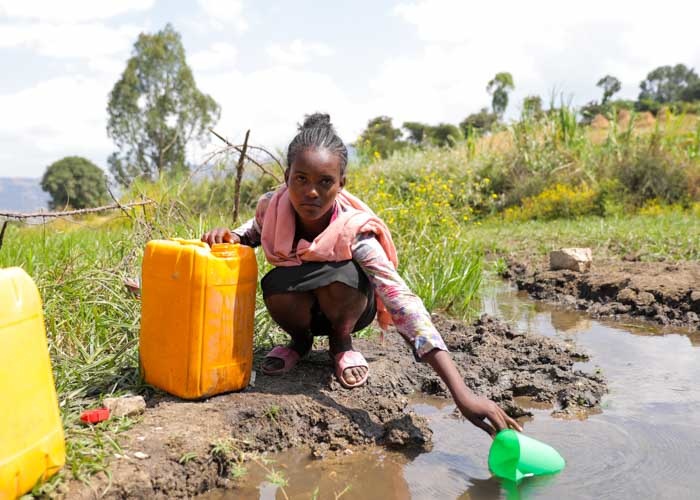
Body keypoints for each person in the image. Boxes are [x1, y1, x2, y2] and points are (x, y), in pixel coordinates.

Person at [202, 113, 522, 436]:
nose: (311, 192)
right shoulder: (272, 208)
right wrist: (226, 236)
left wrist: (461, 393)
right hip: (299, 306)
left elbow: (400, 300)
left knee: (339, 277)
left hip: (348, 304)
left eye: (325, 181)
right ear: (286, 177)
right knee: (276, 284)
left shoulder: (354, 229)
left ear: (341, 184)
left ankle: (341, 345)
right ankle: (299, 343)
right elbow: (248, 234)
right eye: (301, 179)